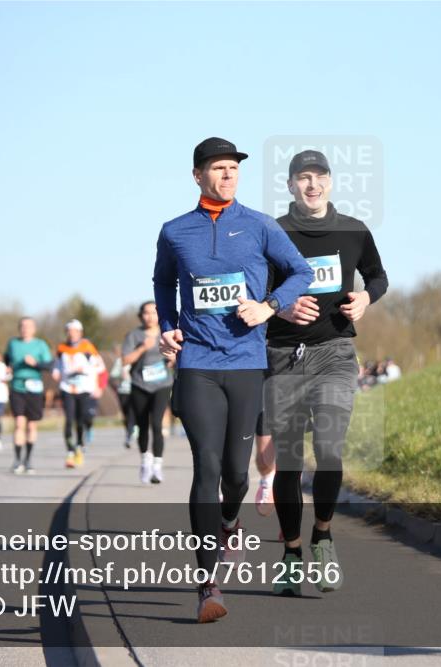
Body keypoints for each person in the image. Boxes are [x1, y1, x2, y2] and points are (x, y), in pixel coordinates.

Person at [154, 137, 313, 622]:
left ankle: (228, 522)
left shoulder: (260, 226)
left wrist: (268, 305)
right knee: (205, 467)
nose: (228, 175)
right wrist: (167, 327)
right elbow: (163, 282)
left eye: (234, 169)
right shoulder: (175, 232)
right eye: (219, 168)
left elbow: (300, 272)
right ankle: (208, 586)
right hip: (198, 364)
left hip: (246, 364)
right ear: (198, 175)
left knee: (236, 476)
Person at [265, 150, 388, 596]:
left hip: (336, 352)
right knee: (290, 461)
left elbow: (377, 276)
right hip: (283, 354)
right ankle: (293, 554)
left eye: (318, 176)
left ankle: (323, 534)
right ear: (291, 185)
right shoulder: (273, 232)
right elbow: (254, 288)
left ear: (331, 182)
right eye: (302, 177)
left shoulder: (353, 231)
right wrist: (283, 304)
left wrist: (366, 300)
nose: (311, 184)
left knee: (330, 451)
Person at [121, 301, 173, 484]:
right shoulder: (133, 335)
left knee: (157, 424)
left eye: (154, 312)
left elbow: (176, 355)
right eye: (146, 313)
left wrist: (172, 359)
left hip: (162, 384)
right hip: (140, 385)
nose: (150, 316)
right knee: (143, 425)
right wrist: (143, 347)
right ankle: (145, 460)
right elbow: (125, 360)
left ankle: (157, 466)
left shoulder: (166, 333)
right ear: (141, 315)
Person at [52, 319, 104, 469]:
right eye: (69, 331)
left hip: (85, 389)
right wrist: (55, 373)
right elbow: (57, 366)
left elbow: (100, 368)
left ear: (80, 333)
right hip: (67, 388)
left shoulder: (88, 347)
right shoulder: (61, 348)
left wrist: (98, 386)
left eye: (75, 331)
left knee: (81, 420)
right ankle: (70, 452)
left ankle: (80, 446)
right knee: (69, 420)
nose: (71, 334)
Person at [4, 317, 53, 474]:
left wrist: (35, 364)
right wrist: (8, 367)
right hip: (17, 386)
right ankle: (17, 460)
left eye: (28, 326)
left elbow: (50, 365)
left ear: (34, 329)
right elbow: (6, 358)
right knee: (19, 423)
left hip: (34, 387)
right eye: (23, 326)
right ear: (19, 328)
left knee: (31, 425)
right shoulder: (13, 343)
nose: (25, 329)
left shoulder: (40, 345)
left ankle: (28, 459)